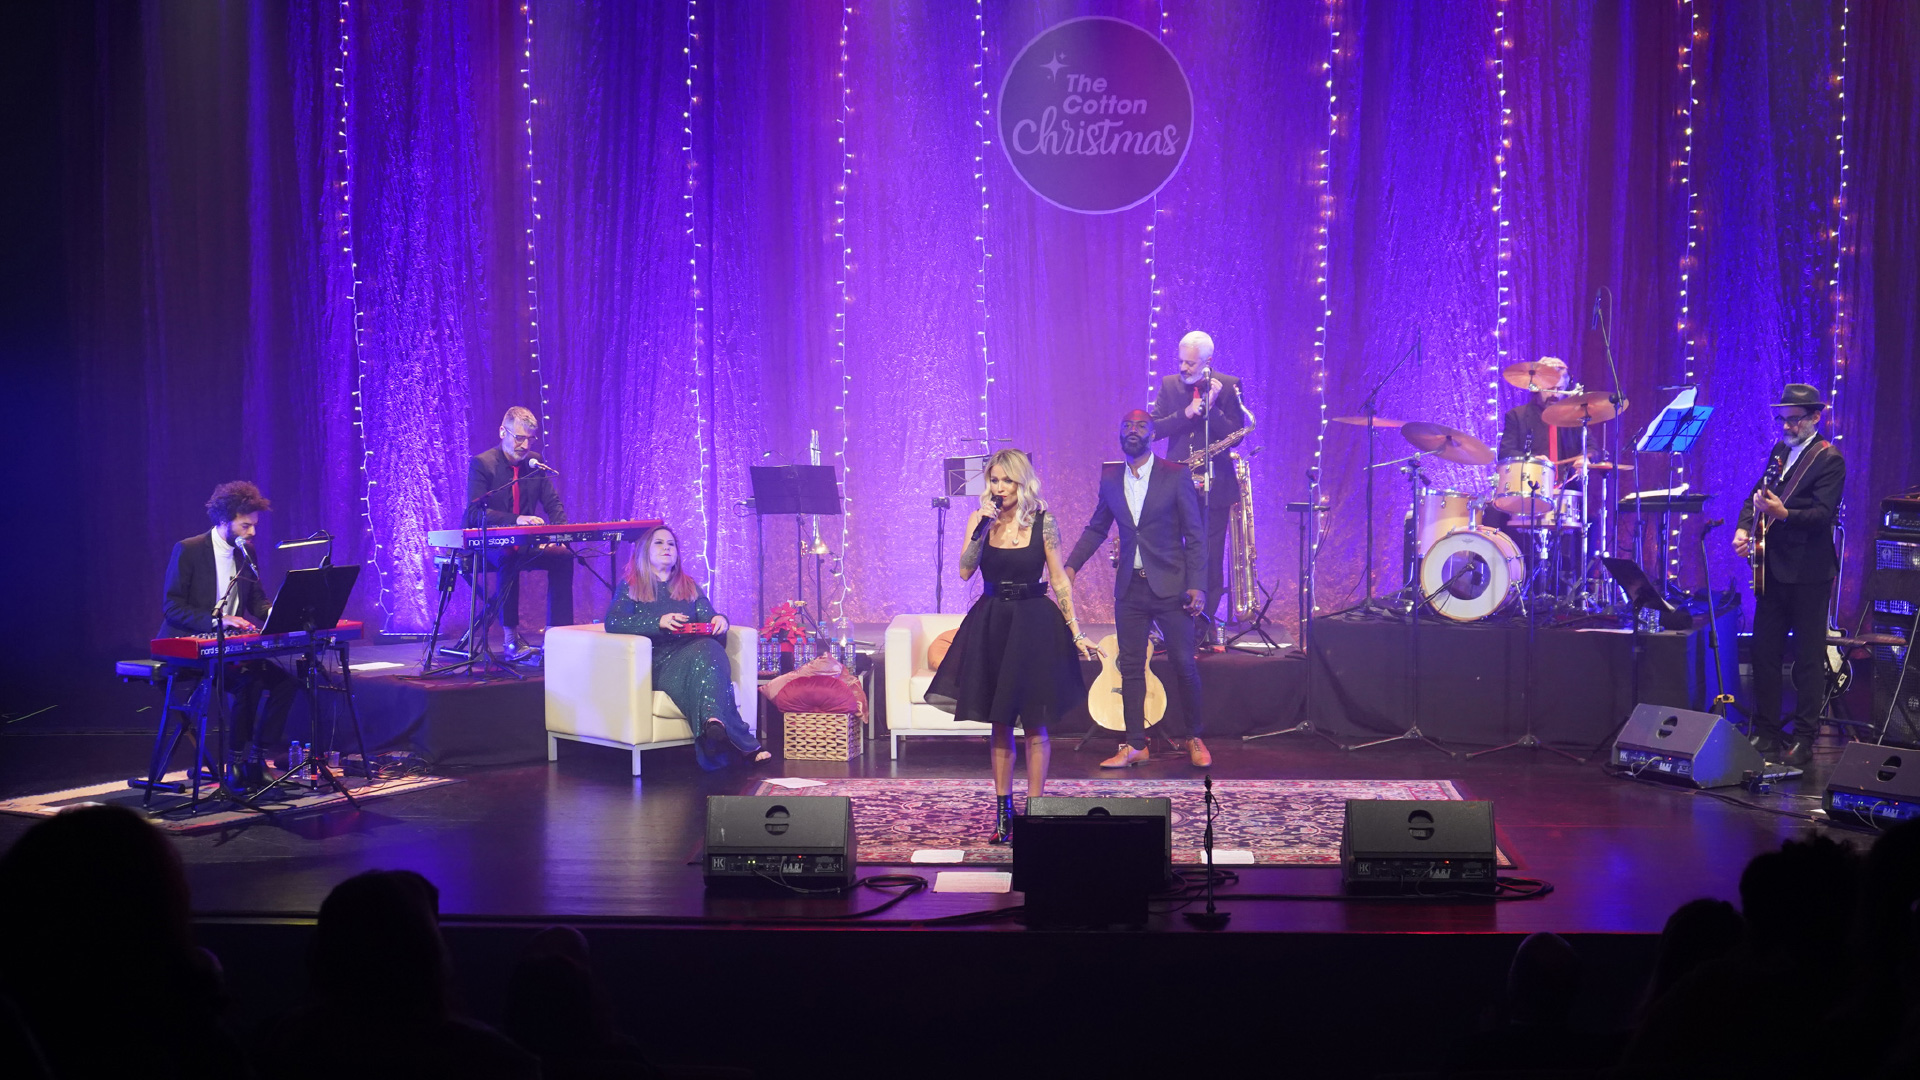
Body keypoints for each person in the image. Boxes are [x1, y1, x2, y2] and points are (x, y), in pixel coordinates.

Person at [925, 450, 1094, 844]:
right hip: (993, 622)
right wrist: (981, 528)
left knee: (1035, 724)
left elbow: (1059, 580)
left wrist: (1076, 630)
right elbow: (965, 570)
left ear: (1023, 482)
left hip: (1034, 622)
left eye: (1007, 481)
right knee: (999, 724)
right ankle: (1004, 815)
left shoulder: (1043, 521)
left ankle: (1035, 815)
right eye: (994, 481)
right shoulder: (981, 520)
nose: (1000, 488)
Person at [1065, 410, 1212, 769]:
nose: (1133, 430)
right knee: (1129, 666)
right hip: (1131, 589)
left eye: (1140, 426)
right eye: (1127, 426)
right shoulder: (1112, 477)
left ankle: (1194, 735)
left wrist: (1197, 585)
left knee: (1182, 664)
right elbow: (1097, 527)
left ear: (1152, 434)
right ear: (1119, 434)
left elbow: (1195, 534)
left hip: (1172, 586)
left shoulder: (1175, 476)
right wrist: (1069, 567)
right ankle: (1134, 745)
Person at [1732, 384, 1846, 767]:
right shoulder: (1780, 450)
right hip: (1772, 568)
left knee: (1808, 658)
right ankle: (1765, 730)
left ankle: (1804, 737)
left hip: (1809, 572)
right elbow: (1756, 494)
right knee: (1765, 653)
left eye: (1794, 419)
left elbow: (1822, 516)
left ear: (1816, 417)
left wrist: (1783, 515)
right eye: (1782, 418)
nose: (1787, 425)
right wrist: (1744, 528)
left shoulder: (1829, 459)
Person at [158, 480, 296, 792]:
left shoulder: (246, 552)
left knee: (286, 682)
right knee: (249, 681)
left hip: (232, 649)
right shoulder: (189, 550)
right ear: (224, 520)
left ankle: (256, 760)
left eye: (254, 525)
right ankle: (233, 763)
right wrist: (217, 620)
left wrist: (279, 613)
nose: (252, 533)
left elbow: (256, 600)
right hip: (192, 648)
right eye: (245, 525)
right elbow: (172, 607)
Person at [605, 525, 769, 769]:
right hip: (657, 661)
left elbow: (709, 615)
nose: (667, 548)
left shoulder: (688, 585)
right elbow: (614, 622)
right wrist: (657, 622)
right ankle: (742, 743)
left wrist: (720, 620)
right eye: (659, 543)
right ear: (644, 551)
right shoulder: (631, 585)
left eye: (671, 544)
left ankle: (714, 725)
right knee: (707, 656)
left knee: (710, 648)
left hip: (694, 654)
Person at [1150, 330, 1253, 641]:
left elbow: (1238, 433)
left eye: (1191, 363)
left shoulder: (1230, 386)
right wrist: (1187, 412)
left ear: (1209, 362)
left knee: (1209, 556)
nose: (1184, 368)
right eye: (1181, 361)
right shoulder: (1170, 385)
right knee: (1172, 555)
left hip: (1215, 488)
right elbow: (1153, 430)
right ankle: (1172, 623)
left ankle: (1203, 626)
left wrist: (1213, 407)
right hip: (1176, 483)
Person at [466, 405, 573, 660]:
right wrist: (516, 520)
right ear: (503, 432)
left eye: (530, 439)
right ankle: (510, 639)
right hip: (491, 546)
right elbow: (472, 514)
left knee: (563, 556)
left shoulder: (535, 463)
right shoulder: (483, 464)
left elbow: (552, 503)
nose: (525, 445)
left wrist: (562, 536)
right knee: (508, 554)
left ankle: (556, 636)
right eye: (519, 438)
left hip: (525, 543)